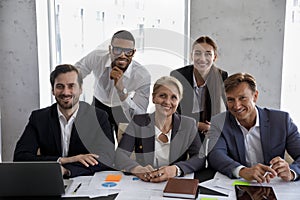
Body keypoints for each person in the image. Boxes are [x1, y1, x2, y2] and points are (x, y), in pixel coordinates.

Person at [14, 64, 115, 178]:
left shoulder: (99, 117)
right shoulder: (39, 118)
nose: (65, 92)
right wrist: (64, 160)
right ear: (53, 90)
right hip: (49, 180)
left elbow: (106, 158)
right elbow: (20, 157)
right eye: (60, 86)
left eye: (71, 86)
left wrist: (67, 170)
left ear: (81, 89)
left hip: (85, 181)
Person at [207, 72, 300, 183]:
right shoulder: (219, 122)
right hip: (237, 184)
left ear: (255, 96)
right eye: (231, 100)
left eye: (242, 98)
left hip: (274, 184)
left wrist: (292, 172)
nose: (237, 106)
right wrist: (242, 171)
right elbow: (216, 155)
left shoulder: (281, 120)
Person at [115, 76, 205, 183]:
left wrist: (176, 169)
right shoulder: (138, 122)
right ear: (153, 98)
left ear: (178, 101)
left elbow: (200, 158)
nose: (167, 102)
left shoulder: (188, 124)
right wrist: (137, 169)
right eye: (162, 96)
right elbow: (120, 155)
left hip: (174, 183)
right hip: (145, 183)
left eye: (173, 97)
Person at [75, 30, 151, 133]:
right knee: (98, 144)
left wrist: (122, 91)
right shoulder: (97, 57)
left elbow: (140, 116)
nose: (122, 55)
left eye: (128, 51)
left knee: (126, 146)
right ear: (110, 49)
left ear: (133, 53)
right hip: (99, 104)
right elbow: (74, 75)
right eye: (117, 49)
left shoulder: (142, 75)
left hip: (123, 107)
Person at [170, 36, 228, 142]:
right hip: (182, 126)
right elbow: (171, 111)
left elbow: (230, 108)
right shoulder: (178, 75)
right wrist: (197, 125)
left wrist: (219, 126)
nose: (202, 58)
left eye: (208, 54)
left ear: (214, 57)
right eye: (197, 53)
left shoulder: (221, 76)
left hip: (210, 127)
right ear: (191, 56)